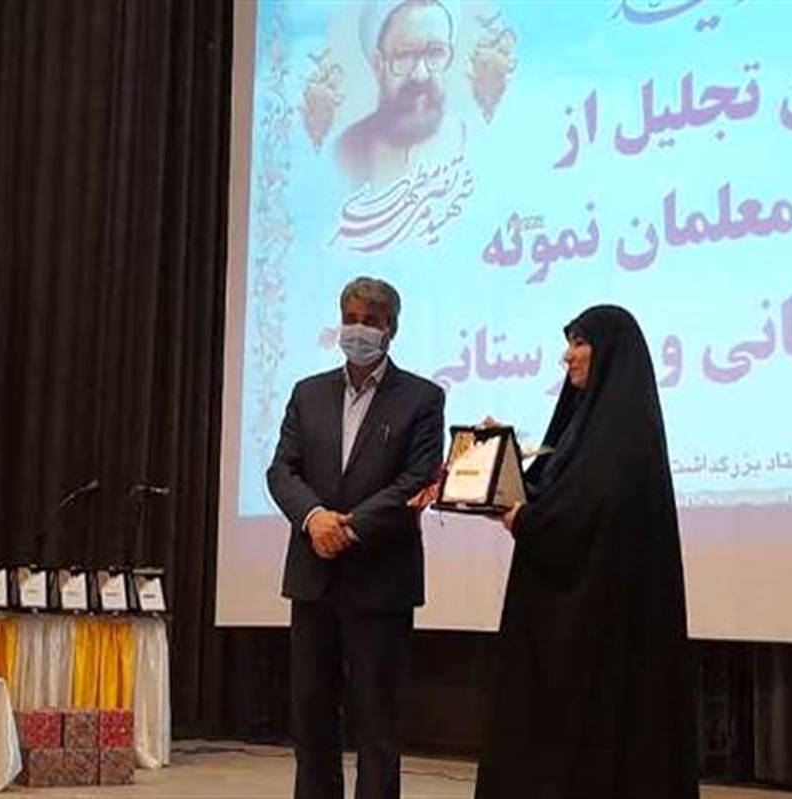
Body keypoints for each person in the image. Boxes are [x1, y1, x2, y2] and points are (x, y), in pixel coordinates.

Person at [473, 305, 699, 799]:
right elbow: (551, 494)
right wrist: (499, 462)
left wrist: (526, 520)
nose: (567, 356)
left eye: (579, 343)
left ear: (609, 353)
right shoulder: (585, 424)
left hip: (601, 623)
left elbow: (589, 513)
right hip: (570, 621)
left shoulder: (623, 433)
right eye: (569, 343)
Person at [266, 276, 445, 799]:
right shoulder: (308, 393)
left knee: (377, 723)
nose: (358, 330)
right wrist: (314, 518)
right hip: (313, 575)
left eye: (370, 321)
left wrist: (348, 527)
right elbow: (282, 470)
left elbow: (417, 478)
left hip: (380, 579)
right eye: (351, 319)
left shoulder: (422, 397)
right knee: (311, 717)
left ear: (391, 328)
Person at [336, 0, 466, 188]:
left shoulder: (474, 145)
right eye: (404, 55)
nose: (420, 75)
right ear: (378, 64)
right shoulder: (346, 152)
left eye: (436, 53)